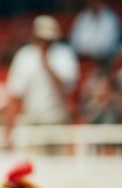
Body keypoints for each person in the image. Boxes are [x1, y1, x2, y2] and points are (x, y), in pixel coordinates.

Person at [5, 15, 79, 143]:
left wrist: (47, 65)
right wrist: (9, 126)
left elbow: (69, 89)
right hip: (31, 120)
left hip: (58, 120)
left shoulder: (64, 55)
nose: (44, 43)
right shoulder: (24, 56)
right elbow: (15, 93)